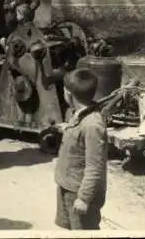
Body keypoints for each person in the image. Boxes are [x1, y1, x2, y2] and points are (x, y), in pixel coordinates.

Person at [55, 68, 108, 230]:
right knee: (68, 228)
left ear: (68, 94)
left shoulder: (93, 125)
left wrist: (84, 198)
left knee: (83, 230)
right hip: (66, 186)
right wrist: (67, 128)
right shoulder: (80, 113)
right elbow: (80, 133)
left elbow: (95, 167)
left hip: (79, 193)